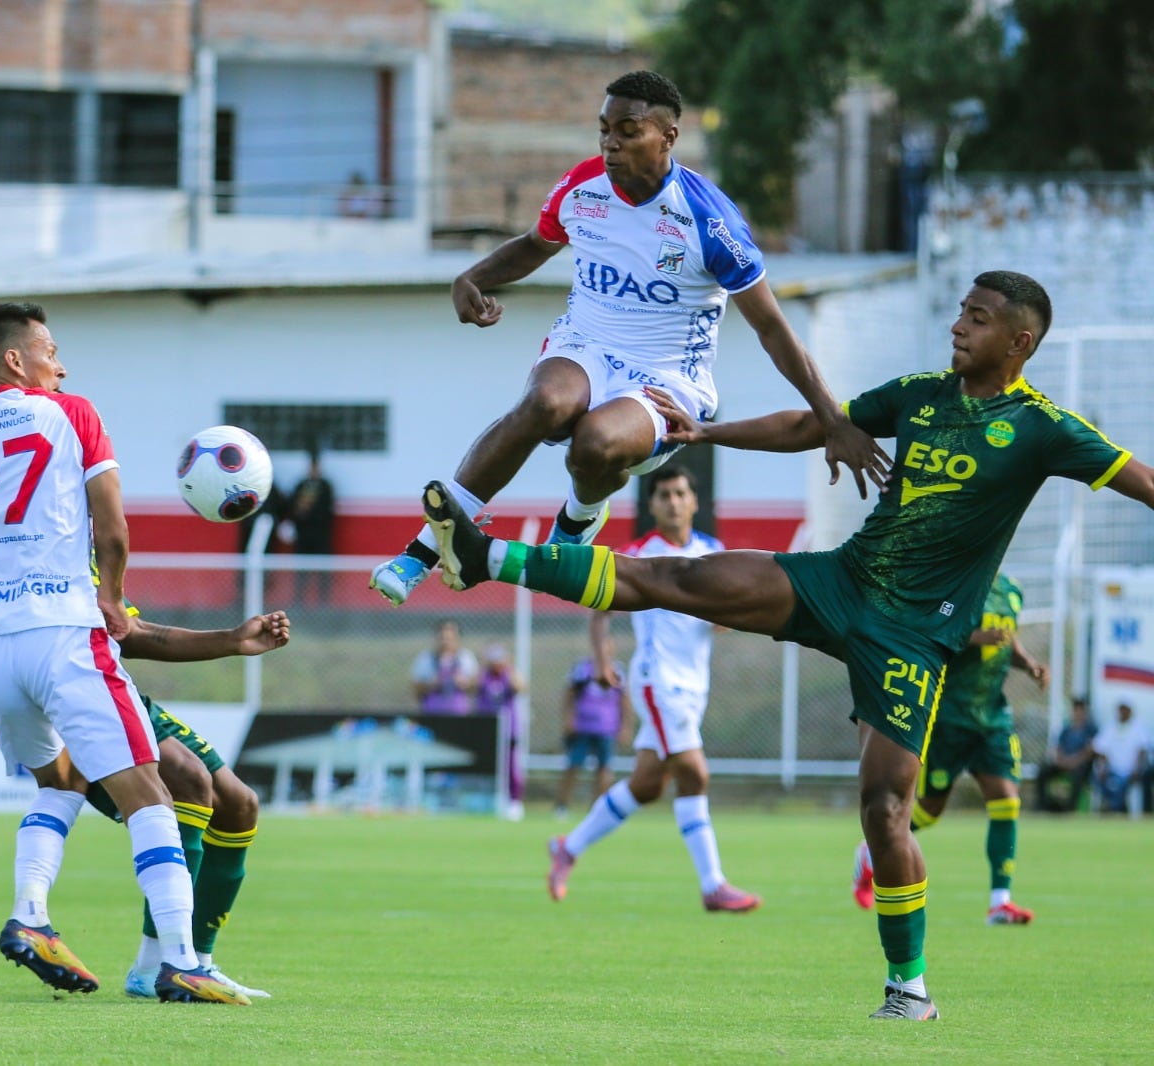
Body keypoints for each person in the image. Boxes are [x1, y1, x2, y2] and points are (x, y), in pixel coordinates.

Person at [417, 270, 1154, 1020]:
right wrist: (705, 432)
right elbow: (812, 425)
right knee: (680, 577)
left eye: (979, 318)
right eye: (961, 313)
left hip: (912, 634)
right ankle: (484, 558)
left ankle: (910, 989)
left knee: (885, 807)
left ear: (1019, 342)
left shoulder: (1044, 428)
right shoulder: (922, 394)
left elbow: (1144, 480)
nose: (959, 327)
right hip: (841, 580)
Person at [369, 68, 886, 607]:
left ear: (668, 137)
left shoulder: (710, 221)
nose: (611, 143)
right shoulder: (582, 186)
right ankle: (421, 552)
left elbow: (774, 329)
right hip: (586, 343)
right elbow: (534, 244)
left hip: (665, 375)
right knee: (544, 402)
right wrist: (471, 277)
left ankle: (578, 517)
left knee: (595, 445)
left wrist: (834, 420)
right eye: (604, 130)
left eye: (628, 130)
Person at [0, 301, 245, 1005]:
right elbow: (115, 527)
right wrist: (114, 596)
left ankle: (31, 916)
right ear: (16, 359)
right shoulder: (71, 412)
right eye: (50, 349)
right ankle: (183, 961)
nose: (60, 363)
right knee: (151, 795)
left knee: (59, 783)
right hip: (63, 632)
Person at [0, 528, 284, 1001]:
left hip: (101, 676)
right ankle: (168, 963)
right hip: (58, 672)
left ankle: (198, 961)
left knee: (239, 804)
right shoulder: (20, 511)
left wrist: (232, 640)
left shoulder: (73, 533)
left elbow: (127, 632)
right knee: (179, 782)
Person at [548, 465, 760, 913]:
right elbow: (600, 606)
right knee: (694, 774)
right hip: (657, 681)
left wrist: (729, 616)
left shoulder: (712, 551)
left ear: (694, 501)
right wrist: (603, 659)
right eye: (663, 494)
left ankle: (568, 848)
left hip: (693, 685)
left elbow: (725, 614)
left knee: (646, 785)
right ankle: (713, 885)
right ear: (652, 505)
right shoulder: (639, 553)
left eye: (680, 493)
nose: (673, 501)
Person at [850, 572, 1047, 925]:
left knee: (1006, 799)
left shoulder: (1011, 590)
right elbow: (929, 632)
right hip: (948, 714)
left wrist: (1028, 663)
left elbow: (1007, 638)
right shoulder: (958, 581)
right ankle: (869, 853)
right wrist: (975, 638)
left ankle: (1000, 902)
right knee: (928, 811)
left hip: (992, 716)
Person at [552, 632, 628, 820]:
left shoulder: (618, 670)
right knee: (573, 765)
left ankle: (597, 809)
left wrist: (625, 726)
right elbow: (569, 695)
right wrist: (568, 719)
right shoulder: (582, 669)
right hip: (583, 726)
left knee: (604, 768)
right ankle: (562, 806)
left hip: (607, 727)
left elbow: (625, 701)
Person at [474, 643, 526, 819]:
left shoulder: (508, 675)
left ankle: (514, 801)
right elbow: (471, 686)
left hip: (508, 728)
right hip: (487, 728)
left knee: (511, 766)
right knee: (486, 765)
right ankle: (487, 799)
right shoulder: (484, 677)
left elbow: (520, 687)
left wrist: (509, 668)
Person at [283, 452, 336, 604]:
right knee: (301, 570)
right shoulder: (300, 485)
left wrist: (311, 511)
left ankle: (323, 601)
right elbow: (291, 507)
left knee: (323, 570)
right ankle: (299, 600)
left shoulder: (325, 487)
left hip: (321, 534)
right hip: (303, 535)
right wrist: (300, 512)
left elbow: (328, 510)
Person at [1035, 696, 1098, 812]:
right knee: (1044, 770)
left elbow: (1089, 751)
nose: (1078, 713)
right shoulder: (1066, 729)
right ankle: (1042, 806)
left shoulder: (1090, 730)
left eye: (1081, 710)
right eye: (1076, 710)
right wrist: (1061, 760)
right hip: (1064, 763)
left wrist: (1073, 762)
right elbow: (1058, 748)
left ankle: (1070, 808)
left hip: (1080, 765)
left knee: (1079, 775)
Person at [1092, 702, 1150, 814]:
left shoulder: (1139, 728)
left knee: (1121, 786)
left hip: (1130, 772)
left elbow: (1143, 750)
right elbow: (1099, 749)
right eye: (1121, 709)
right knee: (1103, 781)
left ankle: (1115, 810)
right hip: (1112, 771)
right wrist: (1103, 768)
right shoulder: (1110, 727)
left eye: (1125, 709)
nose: (1122, 712)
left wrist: (1136, 769)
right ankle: (1109, 809)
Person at [411, 619, 479, 714]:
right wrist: (431, 684)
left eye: (450, 638)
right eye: (442, 638)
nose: (446, 642)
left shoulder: (466, 658)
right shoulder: (425, 659)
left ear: (457, 638)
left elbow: (476, 687)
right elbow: (416, 689)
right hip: (432, 712)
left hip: (459, 712)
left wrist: (465, 683)